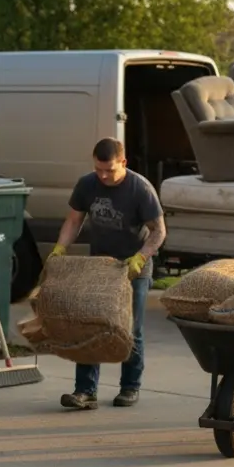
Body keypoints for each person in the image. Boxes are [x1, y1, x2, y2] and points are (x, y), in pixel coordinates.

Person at [49, 138, 166, 411]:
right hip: (99, 267)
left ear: (123, 163)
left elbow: (159, 231)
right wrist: (59, 248)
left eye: (109, 170)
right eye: (98, 169)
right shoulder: (87, 184)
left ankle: (129, 387)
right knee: (91, 324)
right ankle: (85, 392)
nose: (103, 176)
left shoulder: (140, 189)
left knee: (129, 328)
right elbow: (74, 220)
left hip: (133, 267)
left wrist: (141, 257)